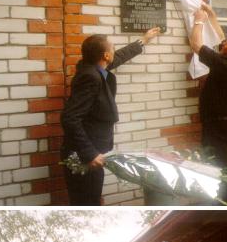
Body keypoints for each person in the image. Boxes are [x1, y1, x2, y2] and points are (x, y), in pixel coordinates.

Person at [61, 27, 161, 206]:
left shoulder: (94, 68)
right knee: (86, 202)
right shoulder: (91, 77)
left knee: (91, 199)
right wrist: (90, 154)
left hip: (93, 152)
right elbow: (70, 118)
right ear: (105, 56)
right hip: (85, 156)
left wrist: (143, 40)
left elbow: (119, 57)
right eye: (112, 49)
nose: (115, 51)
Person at [189, 3, 227, 205]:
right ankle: (223, 206)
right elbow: (222, 35)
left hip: (221, 129)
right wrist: (212, 16)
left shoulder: (226, 66)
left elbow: (196, 45)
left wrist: (198, 20)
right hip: (221, 126)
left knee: (223, 173)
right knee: (218, 171)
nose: (223, 43)